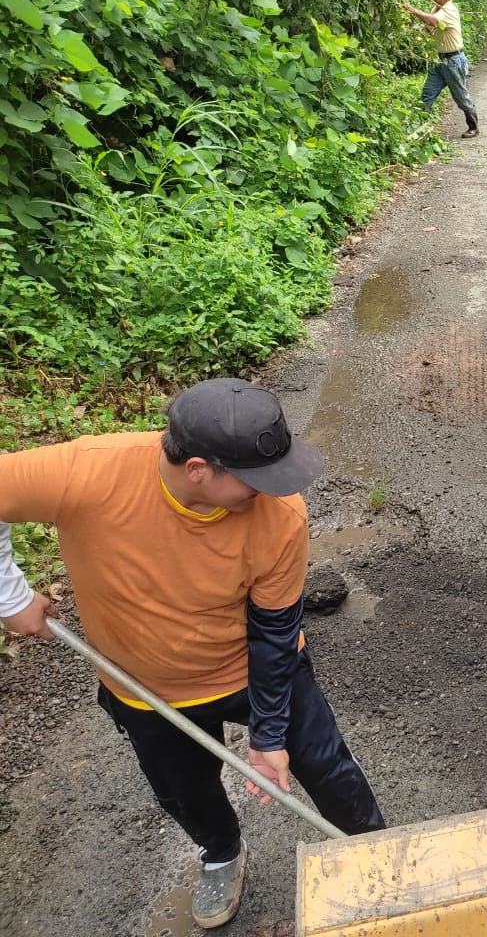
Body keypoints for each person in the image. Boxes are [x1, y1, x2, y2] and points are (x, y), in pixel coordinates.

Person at [0, 378, 385, 930]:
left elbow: (275, 634)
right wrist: (10, 597)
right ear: (199, 468)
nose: (273, 492)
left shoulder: (281, 517)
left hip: (251, 669)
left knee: (328, 767)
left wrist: (269, 735)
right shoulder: (87, 472)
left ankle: (375, 850)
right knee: (184, 791)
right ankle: (222, 852)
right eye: (256, 480)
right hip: (145, 687)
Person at [403, 0, 480, 138]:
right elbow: (430, 26)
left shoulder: (449, 10)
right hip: (440, 60)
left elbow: (432, 20)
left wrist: (412, 9)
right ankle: (419, 129)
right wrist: (415, 20)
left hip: (454, 60)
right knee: (428, 93)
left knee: (460, 95)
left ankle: (473, 127)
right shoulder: (436, 9)